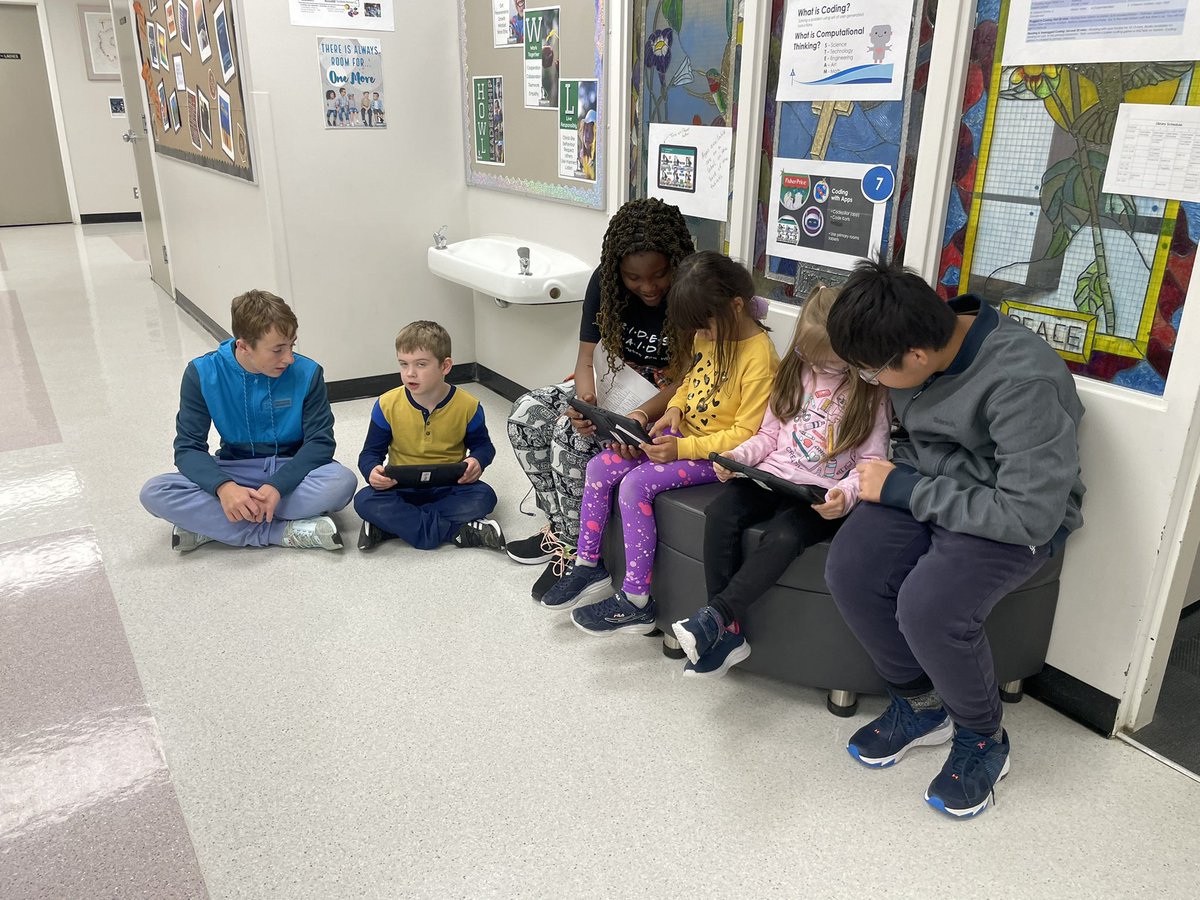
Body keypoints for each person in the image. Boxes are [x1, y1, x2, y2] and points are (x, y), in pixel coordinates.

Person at [823, 257, 1085, 819]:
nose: (872, 384)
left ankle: (984, 736)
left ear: (915, 355)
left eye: (873, 374)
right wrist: (889, 481)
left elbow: (1028, 516)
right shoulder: (919, 346)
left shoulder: (1023, 380)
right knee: (851, 568)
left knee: (929, 607)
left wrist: (905, 492)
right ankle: (920, 706)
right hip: (933, 489)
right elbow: (914, 443)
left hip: (1011, 517)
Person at [541, 252, 778, 636]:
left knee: (637, 484)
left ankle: (636, 600)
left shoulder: (760, 360)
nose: (701, 336)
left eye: (706, 327)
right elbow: (689, 383)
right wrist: (673, 412)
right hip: (683, 435)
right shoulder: (713, 334)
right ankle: (589, 565)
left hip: (715, 456)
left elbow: (745, 435)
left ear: (736, 307)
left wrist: (680, 449)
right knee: (600, 466)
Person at [671, 285, 891, 677]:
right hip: (771, 475)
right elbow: (767, 437)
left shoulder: (872, 394)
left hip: (821, 494)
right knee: (721, 512)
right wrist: (737, 458)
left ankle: (715, 619)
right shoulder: (793, 372)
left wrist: (847, 494)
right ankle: (726, 631)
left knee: (785, 536)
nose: (821, 370)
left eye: (834, 364)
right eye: (813, 359)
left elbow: (872, 462)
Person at [506, 198, 695, 599]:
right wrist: (585, 399)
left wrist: (633, 416)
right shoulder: (604, 280)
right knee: (527, 414)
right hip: (613, 381)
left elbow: (690, 380)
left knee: (568, 437)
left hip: (664, 398)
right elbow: (586, 356)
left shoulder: (694, 292)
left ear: (676, 262)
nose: (647, 287)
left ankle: (580, 556)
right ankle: (560, 530)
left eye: (659, 275)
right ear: (617, 271)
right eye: (633, 278)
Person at [140, 290, 357, 551]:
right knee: (155, 492)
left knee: (342, 482)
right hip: (234, 468)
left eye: (291, 345)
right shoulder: (201, 374)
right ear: (243, 345)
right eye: (277, 350)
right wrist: (224, 488)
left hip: (290, 469)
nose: (288, 358)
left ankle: (214, 527)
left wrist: (277, 486)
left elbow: (320, 444)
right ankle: (280, 532)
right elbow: (188, 449)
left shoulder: (308, 372)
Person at [354, 321, 503, 552]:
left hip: (449, 486)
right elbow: (370, 453)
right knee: (364, 499)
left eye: (421, 364)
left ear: (445, 366)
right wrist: (372, 471)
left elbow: (484, 447)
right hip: (400, 487)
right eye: (403, 364)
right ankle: (454, 532)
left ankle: (390, 527)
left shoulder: (469, 406)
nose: (409, 373)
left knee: (484, 496)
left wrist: (477, 461)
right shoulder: (386, 404)